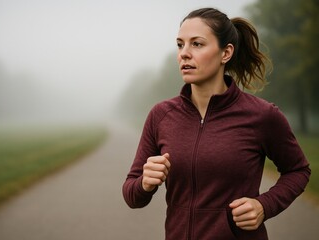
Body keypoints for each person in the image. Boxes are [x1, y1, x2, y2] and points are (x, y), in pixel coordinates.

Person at [122, 7, 311, 240]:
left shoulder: (261, 115)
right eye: (180, 45)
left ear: (226, 53)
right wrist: (145, 183)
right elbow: (132, 195)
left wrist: (264, 206)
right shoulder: (161, 115)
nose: (184, 54)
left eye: (197, 44)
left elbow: (298, 170)